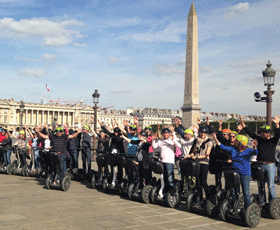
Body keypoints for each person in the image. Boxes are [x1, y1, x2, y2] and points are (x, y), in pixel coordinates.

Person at [212, 133, 258, 209]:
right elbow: (223, 146)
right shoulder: (233, 149)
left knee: (245, 192)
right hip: (235, 173)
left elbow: (255, 153)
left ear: (241, 143)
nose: (234, 142)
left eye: (236, 141)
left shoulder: (248, 151)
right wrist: (216, 139)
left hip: (245, 174)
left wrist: (255, 147)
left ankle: (248, 208)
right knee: (234, 191)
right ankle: (235, 206)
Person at [240, 115, 280, 202]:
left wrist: (277, 124)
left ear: (269, 133)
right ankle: (262, 202)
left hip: (270, 165)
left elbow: (278, 135)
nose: (262, 134)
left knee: (270, 185)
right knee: (260, 185)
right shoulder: (259, 139)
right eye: (261, 132)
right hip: (260, 165)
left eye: (264, 133)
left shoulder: (273, 141)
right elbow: (251, 134)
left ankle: (273, 202)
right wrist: (244, 125)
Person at [152, 128, 181, 196]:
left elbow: (179, 146)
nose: (165, 134)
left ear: (169, 133)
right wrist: (153, 139)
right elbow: (154, 146)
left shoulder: (171, 140)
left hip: (169, 162)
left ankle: (172, 192)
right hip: (162, 161)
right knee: (164, 177)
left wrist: (173, 139)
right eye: (164, 133)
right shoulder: (161, 141)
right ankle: (166, 191)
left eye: (166, 133)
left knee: (170, 178)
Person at [187, 126, 213, 200]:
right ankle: (199, 197)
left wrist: (197, 157)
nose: (202, 134)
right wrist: (189, 156)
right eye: (201, 132)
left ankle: (209, 197)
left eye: (204, 133)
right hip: (197, 163)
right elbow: (194, 152)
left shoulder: (209, 141)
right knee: (198, 182)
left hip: (204, 163)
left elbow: (207, 154)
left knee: (203, 182)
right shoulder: (196, 140)